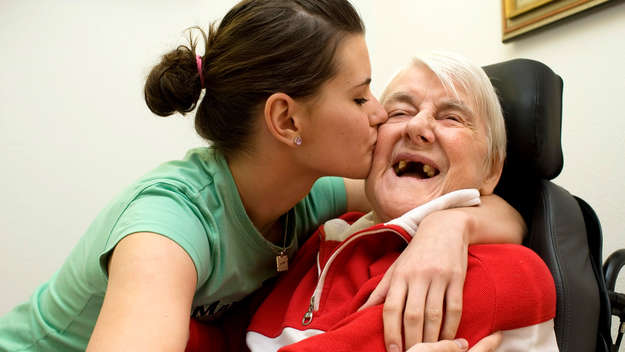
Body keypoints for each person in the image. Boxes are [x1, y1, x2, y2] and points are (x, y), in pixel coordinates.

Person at [0, 1, 523, 351]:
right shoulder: (165, 231)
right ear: (287, 120)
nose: (380, 114)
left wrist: (445, 228)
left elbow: (468, 199)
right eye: (361, 95)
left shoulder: (305, 193)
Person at [242, 53, 558, 351]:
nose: (417, 127)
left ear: (492, 170)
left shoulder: (490, 272)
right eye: (399, 113)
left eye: (451, 117)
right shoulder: (329, 234)